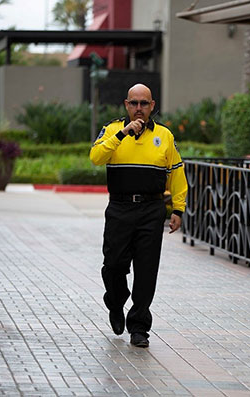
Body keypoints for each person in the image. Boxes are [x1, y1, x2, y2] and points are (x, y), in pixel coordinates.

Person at [90, 83, 187, 348]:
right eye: (134, 103)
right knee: (114, 265)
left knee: (146, 270)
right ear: (126, 105)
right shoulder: (112, 130)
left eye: (144, 103)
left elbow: (177, 173)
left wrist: (178, 208)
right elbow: (96, 157)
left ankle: (139, 327)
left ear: (152, 106)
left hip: (151, 210)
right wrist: (122, 134)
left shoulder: (165, 136)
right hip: (119, 209)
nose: (139, 109)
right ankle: (115, 300)